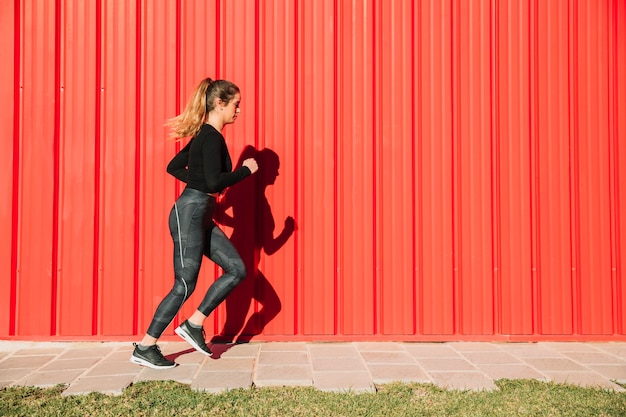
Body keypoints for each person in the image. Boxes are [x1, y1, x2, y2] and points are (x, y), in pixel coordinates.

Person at [130, 78, 258, 369]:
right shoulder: (210, 137)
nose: (238, 111)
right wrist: (244, 172)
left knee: (237, 269)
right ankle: (146, 346)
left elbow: (175, 167)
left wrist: (204, 186)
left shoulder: (207, 135)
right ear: (219, 103)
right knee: (185, 284)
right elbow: (212, 180)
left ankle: (194, 324)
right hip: (190, 212)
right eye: (236, 105)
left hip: (199, 212)